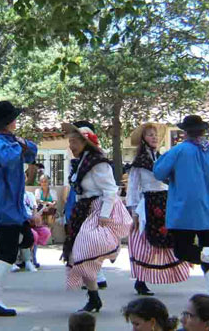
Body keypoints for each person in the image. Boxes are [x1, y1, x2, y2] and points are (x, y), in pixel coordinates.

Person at [153, 115, 209, 299]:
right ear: (203, 131)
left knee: (183, 250)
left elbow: (159, 171)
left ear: (185, 132)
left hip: (186, 210)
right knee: (208, 249)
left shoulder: (179, 150)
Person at [61, 121, 131, 313]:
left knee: (85, 251)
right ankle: (94, 297)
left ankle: (110, 255)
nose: (71, 145)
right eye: (70, 141)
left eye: (75, 141)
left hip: (97, 208)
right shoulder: (81, 162)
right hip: (83, 208)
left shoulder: (98, 163)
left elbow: (110, 190)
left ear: (86, 143)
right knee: (78, 255)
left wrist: (105, 214)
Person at [0, 100, 37, 316]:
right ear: (8, 121)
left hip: (13, 206)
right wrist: (20, 145)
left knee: (27, 240)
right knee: (8, 252)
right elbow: (7, 158)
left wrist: (21, 144)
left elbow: (32, 152)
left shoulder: (7, 140)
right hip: (3, 206)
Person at [127, 123, 190, 296]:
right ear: (143, 139)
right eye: (149, 135)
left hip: (165, 200)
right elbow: (133, 187)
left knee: (168, 237)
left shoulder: (162, 158)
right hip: (148, 202)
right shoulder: (140, 162)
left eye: (155, 134)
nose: (154, 137)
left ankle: (170, 272)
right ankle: (141, 280)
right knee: (145, 240)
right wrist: (133, 211)